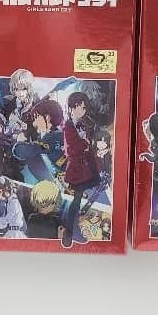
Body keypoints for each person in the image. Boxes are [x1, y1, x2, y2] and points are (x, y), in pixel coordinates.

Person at [61, 92, 99, 248]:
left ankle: (82, 225)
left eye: (84, 108)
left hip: (88, 166)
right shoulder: (67, 127)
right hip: (77, 170)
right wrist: (84, 144)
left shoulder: (85, 124)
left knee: (94, 194)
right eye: (79, 107)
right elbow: (71, 150)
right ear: (71, 108)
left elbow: (89, 144)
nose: (82, 111)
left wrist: (88, 145)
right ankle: (69, 231)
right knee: (75, 201)